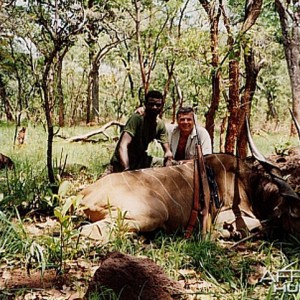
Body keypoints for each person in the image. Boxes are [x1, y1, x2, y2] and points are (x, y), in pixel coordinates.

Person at [106, 90, 173, 174]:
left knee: (175, 165)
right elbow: (122, 146)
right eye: (151, 104)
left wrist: (168, 162)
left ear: (162, 106)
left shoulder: (160, 124)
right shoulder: (137, 119)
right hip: (121, 163)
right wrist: (127, 170)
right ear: (145, 104)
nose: (155, 107)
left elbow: (167, 151)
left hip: (141, 160)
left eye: (158, 105)